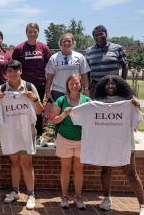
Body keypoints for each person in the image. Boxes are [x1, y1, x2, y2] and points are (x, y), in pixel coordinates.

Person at [94, 75, 144, 215]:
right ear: (103, 86)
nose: (110, 86)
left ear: (119, 85)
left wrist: (137, 107)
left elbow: (138, 120)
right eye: (107, 84)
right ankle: (106, 198)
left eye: (113, 83)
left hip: (125, 142)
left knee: (131, 174)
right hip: (106, 142)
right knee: (106, 171)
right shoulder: (98, 101)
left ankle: (143, 205)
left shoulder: (129, 101)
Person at [0, 60, 42, 210]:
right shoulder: (1, 89)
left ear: (21, 71)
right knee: (14, 163)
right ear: (6, 73)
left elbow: (38, 111)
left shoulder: (29, 87)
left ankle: (31, 195)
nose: (12, 74)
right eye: (9, 71)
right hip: (9, 132)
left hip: (27, 131)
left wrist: (34, 98)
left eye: (15, 71)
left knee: (26, 163)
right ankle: (15, 191)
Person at [51, 74, 91, 210]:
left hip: (82, 140)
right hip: (64, 138)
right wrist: (63, 115)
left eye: (77, 83)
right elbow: (54, 120)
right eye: (72, 84)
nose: (74, 86)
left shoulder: (87, 100)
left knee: (79, 169)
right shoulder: (61, 100)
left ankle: (78, 197)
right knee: (65, 168)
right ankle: (64, 196)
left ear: (80, 84)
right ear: (67, 86)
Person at [12, 23, 52, 145]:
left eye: (35, 31)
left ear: (38, 32)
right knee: (22, 110)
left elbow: (49, 68)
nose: (32, 34)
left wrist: (47, 87)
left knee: (37, 110)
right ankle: (22, 135)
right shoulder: (19, 49)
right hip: (23, 85)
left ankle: (38, 135)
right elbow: (14, 68)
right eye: (30, 31)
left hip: (39, 83)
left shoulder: (44, 48)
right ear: (26, 33)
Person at [45, 33, 91, 133]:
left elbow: (84, 74)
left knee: (76, 115)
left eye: (69, 41)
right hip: (58, 90)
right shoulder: (54, 58)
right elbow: (50, 76)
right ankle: (58, 137)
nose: (67, 43)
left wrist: (86, 88)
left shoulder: (79, 57)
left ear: (73, 43)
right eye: (64, 41)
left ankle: (76, 137)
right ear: (60, 43)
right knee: (58, 115)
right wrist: (47, 90)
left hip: (75, 90)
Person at [85, 25, 128, 99]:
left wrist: (122, 82)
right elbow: (86, 71)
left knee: (113, 109)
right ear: (93, 37)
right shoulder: (89, 51)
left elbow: (125, 65)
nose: (99, 37)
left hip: (113, 87)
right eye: (96, 35)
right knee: (96, 109)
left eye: (101, 34)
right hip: (95, 87)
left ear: (106, 34)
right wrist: (88, 86)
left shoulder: (117, 48)